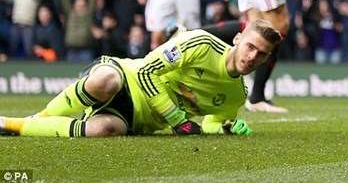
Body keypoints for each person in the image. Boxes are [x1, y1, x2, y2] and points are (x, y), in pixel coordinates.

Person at [0, 20, 282, 137]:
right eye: (250, 46)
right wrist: (176, 119)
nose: (252, 56)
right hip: (128, 76)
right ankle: (40, 116)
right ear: (237, 39)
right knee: (104, 81)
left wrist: (225, 129)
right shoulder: (199, 43)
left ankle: (12, 126)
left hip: (138, 120)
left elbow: (209, 123)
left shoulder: (236, 95)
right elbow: (147, 71)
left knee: (102, 131)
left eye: (261, 54)